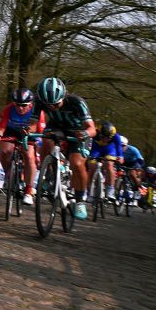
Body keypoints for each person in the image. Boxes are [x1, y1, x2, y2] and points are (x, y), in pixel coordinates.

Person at [35, 77, 97, 220]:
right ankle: (49, 175)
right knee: (46, 139)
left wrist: (85, 134)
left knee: (77, 163)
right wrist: (27, 131)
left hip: (77, 131)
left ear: (64, 96)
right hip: (56, 127)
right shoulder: (39, 102)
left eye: (56, 104)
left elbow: (92, 129)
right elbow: (33, 124)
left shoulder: (77, 102)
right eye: (48, 105)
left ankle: (80, 200)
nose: (51, 108)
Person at [0, 88, 46, 205]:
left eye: (24, 105)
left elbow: (41, 132)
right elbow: (2, 127)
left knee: (29, 156)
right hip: (12, 131)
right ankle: (8, 175)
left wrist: (38, 141)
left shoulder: (37, 111)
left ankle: (28, 191)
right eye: (17, 105)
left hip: (30, 133)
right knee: (4, 149)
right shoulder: (9, 109)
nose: (20, 108)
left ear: (30, 104)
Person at [87, 121, 123, 200]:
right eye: (103, 137)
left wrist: (120, 157)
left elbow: (119, 147)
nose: (105, 139)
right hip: (96, 149)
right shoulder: (95, 132)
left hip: (109, 150)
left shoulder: (116, 136)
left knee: (109, 165)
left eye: (108, 138)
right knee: (92, 166)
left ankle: (110, 189)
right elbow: (87, 143)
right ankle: (88, 189)